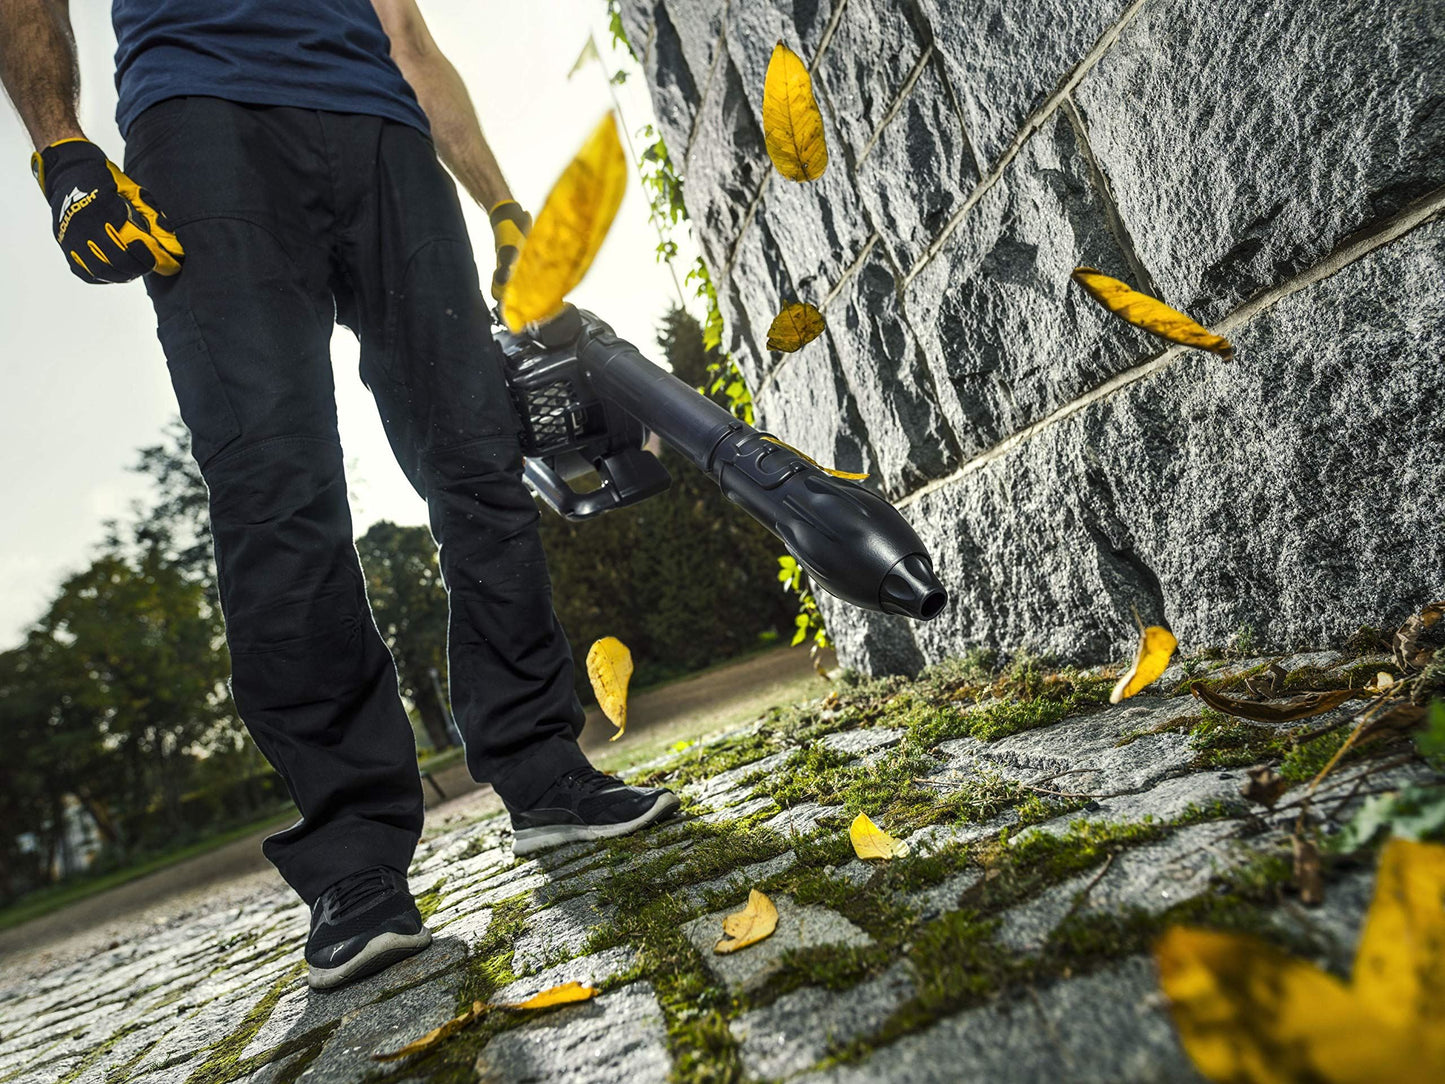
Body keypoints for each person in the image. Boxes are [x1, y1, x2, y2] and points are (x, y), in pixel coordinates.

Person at [0, 0, 679, 991]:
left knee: (476, 458)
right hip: (202, 125)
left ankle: (542, 770)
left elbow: (407, 36)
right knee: (273, 486)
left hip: (384, 136)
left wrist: (500, 207)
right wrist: (61, 154)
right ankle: (354, 861)